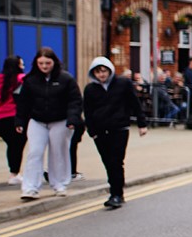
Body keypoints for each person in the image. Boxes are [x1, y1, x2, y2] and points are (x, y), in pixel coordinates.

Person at [15, 47, 81, 200]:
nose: (44, 66)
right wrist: (19, 121)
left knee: (58, 152)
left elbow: (75, 101)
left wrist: (73, 119)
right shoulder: (30, 80)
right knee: (34, 152)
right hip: (37, 121)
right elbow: (23, 103)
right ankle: (30, 188)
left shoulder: (66, 79)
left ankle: (59, 184)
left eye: (47, 63)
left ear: (54, 62)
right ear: (36, 63)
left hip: (60, 121)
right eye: (41, 63)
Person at [82, 57, 147, 209]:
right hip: (100, 131)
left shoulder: (123, 84)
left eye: (104, 71)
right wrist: (92, 132)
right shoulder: (90, 89)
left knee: (116, 161)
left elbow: (134, 104)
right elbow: (88, 111)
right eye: (98, 72)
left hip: (119, 128)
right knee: (107, 162)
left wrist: (141, 124)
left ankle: (116, 194)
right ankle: (116, 192)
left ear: (110, 70)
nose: (102, 75)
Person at [0, 56, 27, 184]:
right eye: (21, 64)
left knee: (11, 145)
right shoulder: (20, 79)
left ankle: (14, 173)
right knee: (17, 146)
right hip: (14, 117)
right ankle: (14, 174)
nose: (23, 67)